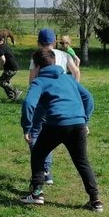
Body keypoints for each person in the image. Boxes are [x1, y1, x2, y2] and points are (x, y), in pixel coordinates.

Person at [19, 48, 102, 211]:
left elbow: (28, 103)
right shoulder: (68, 79)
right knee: (82, 161)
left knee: (38, 154)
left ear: (36, 66)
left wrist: (27, 127)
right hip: (78, 125)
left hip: (56, 125)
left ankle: (37, 193)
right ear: (55, 62)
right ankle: (95, 200)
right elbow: (88, 98)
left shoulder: (39, 81)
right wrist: (85, 120)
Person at [27, 28, 81, 184]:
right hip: (61, 99)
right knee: (48, 134)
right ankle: (47, 171)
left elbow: (32, 79)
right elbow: (76, 72)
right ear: (55, 42)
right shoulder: (64, 55)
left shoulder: (37, 56)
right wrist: (73, 88)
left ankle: (43, 170)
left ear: (38, 42)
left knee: (35, 132)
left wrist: (34, 95)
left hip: (43, 98)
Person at [0, 32, 21, 100]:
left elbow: (3, 59)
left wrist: (0, 66)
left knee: (2, 81)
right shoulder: (5, 46)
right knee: (5, 81)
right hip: (13, 66)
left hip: (11, 68)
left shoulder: (0, 48)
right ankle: (11, 96)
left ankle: (16, 91)